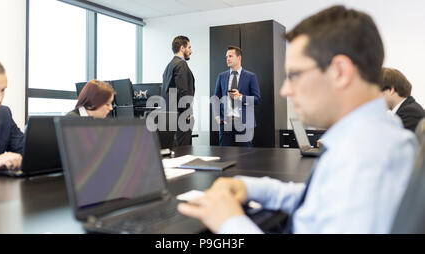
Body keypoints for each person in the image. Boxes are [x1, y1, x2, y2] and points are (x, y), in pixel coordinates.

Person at [177, 5, 417, 234]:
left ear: (340, 72)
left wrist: (229, 221)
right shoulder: (367, 140)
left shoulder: (368, 160)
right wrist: (251, 187)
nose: (286, 91)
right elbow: (318, 199)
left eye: (295, 75)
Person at [213, 46, 261, 147]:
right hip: (225, 123)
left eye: (230, 56)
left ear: (239, 58)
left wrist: (240, 96)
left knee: (246, 158)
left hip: (244, 123)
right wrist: (217, 117)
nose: (227, 59)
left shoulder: (251, 76)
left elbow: (257, 99)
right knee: (224, 156)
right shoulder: (222, 76)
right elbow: (216, 98)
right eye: (226, 57)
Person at [162, 35, 195, 146]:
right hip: (181, 117)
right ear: (182, 48)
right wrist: (187, 111)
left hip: (171, 117)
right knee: (184, 151)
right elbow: (183, 91)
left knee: (175, 151)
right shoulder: (181, 64)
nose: (191, 51)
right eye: (189, 47)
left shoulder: (169, 66)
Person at [380, 67, 425, 132]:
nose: (376, 99)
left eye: (377, 93)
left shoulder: (410, 113)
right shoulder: (405, 111)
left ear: (391, 90)